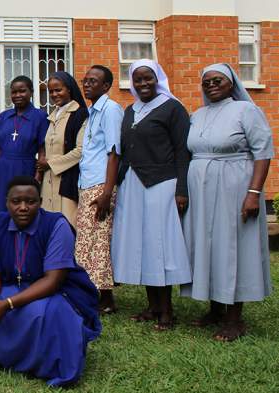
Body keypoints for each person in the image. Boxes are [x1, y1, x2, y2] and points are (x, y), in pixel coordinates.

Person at [0, 176, 101, 387]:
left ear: (40, 202)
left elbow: (53, 280)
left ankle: (50, 366)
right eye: (16, 201)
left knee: (44, 312)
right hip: (14, 284)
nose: (23, 207)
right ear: (6, 202)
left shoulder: (57, 224)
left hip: (57, 289)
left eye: (30, 202)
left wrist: (8, 304)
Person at [181, 63, 274, 342]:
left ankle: (234, 318)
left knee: (232, 246)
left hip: (235, 188)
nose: (211, 85)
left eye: (217, 80)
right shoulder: (197, 114)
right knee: (209, 247)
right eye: (206, 81)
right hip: (202, 193)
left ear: (231, 82)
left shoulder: (247, 111)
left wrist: (254, 193)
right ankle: (216, 308)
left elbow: (263, 153)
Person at [112, 59, 191, 331]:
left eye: (148, 78)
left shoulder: (173, 108)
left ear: (158, 79)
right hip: (132, 184)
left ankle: (167, 312)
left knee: (160, 244)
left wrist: (182, 189)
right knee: (142, 243)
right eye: (137, 79)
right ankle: (152, 306)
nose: (143, 83)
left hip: (161, 182)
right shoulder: (130, 110)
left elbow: (183, 151)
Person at [76, 65, 124, 314]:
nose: (87, 85)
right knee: (88, 240)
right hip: (88, 182)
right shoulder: (92, 112)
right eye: (85, 81)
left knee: (99, 241)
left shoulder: (111, 110)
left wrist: (107, 192)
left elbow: (114, 152)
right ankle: (93, 293)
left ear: (106, 86)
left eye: (93, 81)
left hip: (101, 185)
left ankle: (106, 298)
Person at [0, 76, 49, 218]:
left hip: (25, 169)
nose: (18, 95)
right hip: (1, 171)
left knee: (22, 212)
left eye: (22, 91)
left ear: (31, 92)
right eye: (14, 92)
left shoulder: (40, 117)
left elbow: (42, 151)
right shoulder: (4, 116)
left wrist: (37, 179)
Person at [36, 71, 88, 226]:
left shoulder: (80, 114)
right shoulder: (52, 116)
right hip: (48, 180)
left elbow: (81, 150)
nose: (54, 94)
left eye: (58, 90)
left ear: (69, 89)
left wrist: (50, 164)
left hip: (68, 181)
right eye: (51, 91)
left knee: (67, 225)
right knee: (48, 225)